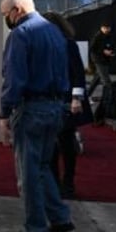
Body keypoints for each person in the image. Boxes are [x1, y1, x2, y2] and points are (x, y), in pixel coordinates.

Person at [0, 0, 74, 232]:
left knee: (28, 173)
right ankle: (59, 217)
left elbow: (14, 78)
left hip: (31, 109)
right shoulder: (54, 31)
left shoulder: (21, 35)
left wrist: (3, 114)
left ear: (17, 10)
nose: (6, 19)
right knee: (42, 166)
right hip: (55, 107)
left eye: (5, 14)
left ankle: (35, 231)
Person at [43, 11, 92, 199]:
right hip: (52, 99)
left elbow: (78, 73)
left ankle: (68, 183)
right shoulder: (46, 45)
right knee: (53, 144)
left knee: (66, 142)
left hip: (67, 99)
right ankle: (56, 182)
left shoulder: (68, 44)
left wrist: (76, 98)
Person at [87, 22, 115, 125]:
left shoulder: (108, 37)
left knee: (96, 80)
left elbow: (111, 46)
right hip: (99, 60)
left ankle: (85, 97)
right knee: (106, 82)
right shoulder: (97, 37)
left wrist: (110, 52)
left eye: (109, 28)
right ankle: (106, 102)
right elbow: (93, 49)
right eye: (105, 28)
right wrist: (103, 52)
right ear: (101, 28)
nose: (107, 30)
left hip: (105, 60)